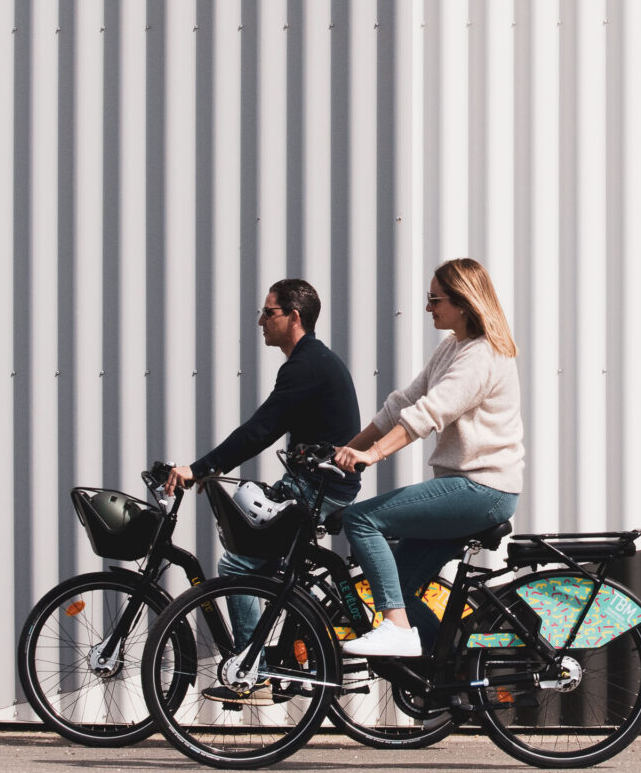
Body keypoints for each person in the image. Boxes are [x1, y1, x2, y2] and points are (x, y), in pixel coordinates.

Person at [166, 278, 360, 698]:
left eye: (268, 313)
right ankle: (279, 651)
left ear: (294, 317)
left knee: (237, 567)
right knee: (261, 560)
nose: (260, 321)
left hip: (316, 489)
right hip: (314, 484)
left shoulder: (306, 365)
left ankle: (253, 667)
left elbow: (260, 429)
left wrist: (200, 469)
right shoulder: (311, 362)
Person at [333, 258, 523, 659]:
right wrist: (345, 449)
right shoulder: (452, 347)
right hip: (463, 487)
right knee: (394, 589)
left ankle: (398, 631)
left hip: (482, 488)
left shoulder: (481, 355)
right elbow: (402, 404)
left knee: (360, 518)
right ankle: (450, 673)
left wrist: (372, 455)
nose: (427, 308)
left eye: (434, 300)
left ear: (464, 302)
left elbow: (428, 413)